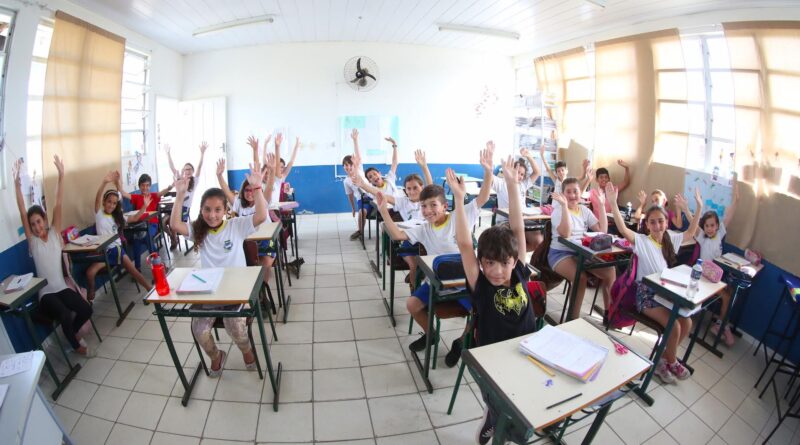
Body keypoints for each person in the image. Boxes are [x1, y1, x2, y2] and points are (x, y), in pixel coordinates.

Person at [377, 145, 494, 355]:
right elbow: (397, 235)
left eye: (433, 206)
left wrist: (488, 171)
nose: (428, 211)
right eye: (424, 207)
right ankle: (431, 335)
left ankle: (463, 340)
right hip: (438, 279)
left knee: (481, 311)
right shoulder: (423, 229)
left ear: (444, 206)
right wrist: (384, 211)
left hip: (465, 280)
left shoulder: (460, 215)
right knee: (412, 304)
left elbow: (483, 197)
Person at [453, 157, 537, 444]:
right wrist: (459, 200)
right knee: (504, 404)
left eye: (504, 263)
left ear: (514, 261)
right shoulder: (481, 283)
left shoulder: (519, 271)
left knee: (527, 395)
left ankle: (509, 418)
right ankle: (494, 414)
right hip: (492, 358)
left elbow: (517, 224)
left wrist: (513, 185)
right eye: (489, 263)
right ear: (481, 262)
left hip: (526, 349)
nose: (497, 271)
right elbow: (465, 244)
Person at [168, 161, 268, 377]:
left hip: (236, 293)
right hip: (209, 293)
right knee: (199, 330)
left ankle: (246, 350)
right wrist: (180, 195)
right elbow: (175, 225)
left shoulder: (236, 226)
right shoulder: (198, 229)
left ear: (225, 210)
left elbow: (260, 216)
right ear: (201, 209)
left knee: (236, 329)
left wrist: (258, 189)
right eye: (207, 209)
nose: (212, 215)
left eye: (217, 210)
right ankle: (216, 356)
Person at [607, 182, 703, 384]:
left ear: (666, 223)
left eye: (661, 221)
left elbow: (691, 232)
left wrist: (697, 209)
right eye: (653, 222)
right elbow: (623, 229)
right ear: (647, 225)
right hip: (646, 295)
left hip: (666, 293)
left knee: (687, 322)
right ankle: (671, 361)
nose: (658, 226)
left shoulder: (671, 239)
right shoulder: (642, 241)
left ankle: (661, 360)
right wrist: (613, 204)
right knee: (674, 326)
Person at [12, 156, 95, 356]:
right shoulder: (33, 243)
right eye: (33, 224)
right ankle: (77, 348)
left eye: (39, 221)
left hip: (61, 288)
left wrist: (61, 175)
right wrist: (16, 185)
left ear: (45, 220)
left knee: (86, 310)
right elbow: (23, 212)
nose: (37, 226)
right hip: (47, 294)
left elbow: (57, 203)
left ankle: (72, 334)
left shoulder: (55, 234)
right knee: (65, 315)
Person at [354, 149, 433, 286]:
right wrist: (364, 186)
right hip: (410, 238)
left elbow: (431, 186)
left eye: (415, 188)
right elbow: (380, 194)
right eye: (408, 189)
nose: (412, 191)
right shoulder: (402, 202)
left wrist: (424, 166)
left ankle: (420, 277)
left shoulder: (426, 199)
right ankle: (414, 289)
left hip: (428, 237)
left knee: (431, 263)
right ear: (405, 190)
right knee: (414, 265)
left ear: (422, 187)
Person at [547, 177, 616, 320]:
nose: (572, 195)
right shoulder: (558, 211)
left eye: (575, 191)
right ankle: (572, 319)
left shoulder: (584, 210)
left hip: (582, 253)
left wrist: (602, 206)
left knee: (610, 271)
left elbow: (602, 230)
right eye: (568, 192)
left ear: (580, 193)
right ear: (562, 194)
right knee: (581, 278)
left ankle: (609, 314)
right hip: (560, 253)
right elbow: (565, 234)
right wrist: (565, 207)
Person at [215, 145, 278, 286]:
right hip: (244, 241)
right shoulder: (238, 203)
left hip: (264, 241)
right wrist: (219, 176)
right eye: (246, 190)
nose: (250, 193)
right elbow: (225, 190)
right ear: (242, 192)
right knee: (236, 262)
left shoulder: (262, 201)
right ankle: (243, 287)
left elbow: (268, 187)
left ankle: (263, 291)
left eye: (252, 190)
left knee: (265, 264)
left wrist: (272, 170)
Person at [85, 172, 152, 302]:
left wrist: (144, 206)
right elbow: (97, 198)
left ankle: (149, 288)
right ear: (104, 202)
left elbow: (135, 217)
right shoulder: (99, 213)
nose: (111, 205)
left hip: (116, 250)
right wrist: (104, 182)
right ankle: (91, 292)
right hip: (104, 252)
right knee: (90, 273)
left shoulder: (118, 217)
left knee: (133, 271)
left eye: (114, 203)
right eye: (109, 202)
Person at [696, 180, 739, 346]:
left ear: (717, 226)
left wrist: (736, 200)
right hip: (703, 275)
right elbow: (694, 222)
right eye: (707, 226)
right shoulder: (703, 238)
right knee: (727, 296)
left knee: (730, 292)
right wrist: (689, 206)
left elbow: (728, 217)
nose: (710, 228)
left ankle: (721, 324)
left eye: (712, 225)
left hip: (715, 276)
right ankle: (721, 325)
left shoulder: (719, 234)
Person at [116, 173, 173, 268]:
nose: (145, 187)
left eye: (147, 185)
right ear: (139, 186)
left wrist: (169, 188)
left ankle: (158, 266)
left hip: (152, 225)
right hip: (140, 226)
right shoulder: (136, 197)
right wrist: (117, 182)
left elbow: (161, 193)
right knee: (136, 241)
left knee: (147, 237)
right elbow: (123, 193)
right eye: (142, 185)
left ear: (150, 186)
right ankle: (138, 268)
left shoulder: (153, 196)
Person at [491, 144, 541, 251]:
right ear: (510, 170)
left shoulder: (523, 185)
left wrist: (528, 156)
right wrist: (490, 159)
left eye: (522, 174)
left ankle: (517, 256)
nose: (519, 176)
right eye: (517, 172)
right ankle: (513, 255)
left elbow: (537, 172)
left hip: (523, 219)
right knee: (509, 241)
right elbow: (489, 177)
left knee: (538, 240)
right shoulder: (501, 183)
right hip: (505, 221)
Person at [164, 141, 207, 249]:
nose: (187, 171)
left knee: (174, 224)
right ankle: (174, 238)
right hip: (176, 206)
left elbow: (200, 167)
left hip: (185, 208)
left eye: (189, 169)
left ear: (192, 171)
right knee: (163, 222)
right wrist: (168, 153)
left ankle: (174, 240)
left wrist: (202, 153)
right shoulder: (180, 180)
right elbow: (172, 167)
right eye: (185, 169)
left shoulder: (194, 180)